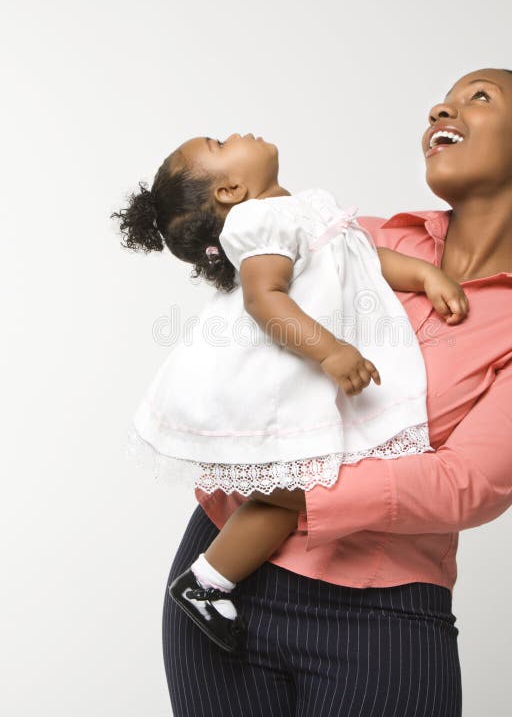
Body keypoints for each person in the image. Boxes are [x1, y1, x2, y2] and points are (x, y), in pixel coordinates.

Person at [122, 67, 512, 716]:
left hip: (375, 618)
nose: (442, 108)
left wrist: (295, 487)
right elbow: (248, 327)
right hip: (220, 575)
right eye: (444, 99)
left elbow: (470, 484)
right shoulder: (364, 233)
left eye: (478, 97)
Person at [111, 135, 471, 653]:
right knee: (294, 490)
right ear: (230, 190)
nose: (237, 134)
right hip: (278, 379)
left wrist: (425, 275)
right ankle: (207, 581)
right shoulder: (260, 221)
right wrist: (330, 351)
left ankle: (207, 579)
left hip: (302, 377)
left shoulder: (303, 210)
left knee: (297, 491)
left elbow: (362, 260)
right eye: (220, 143)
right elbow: (264, 300)